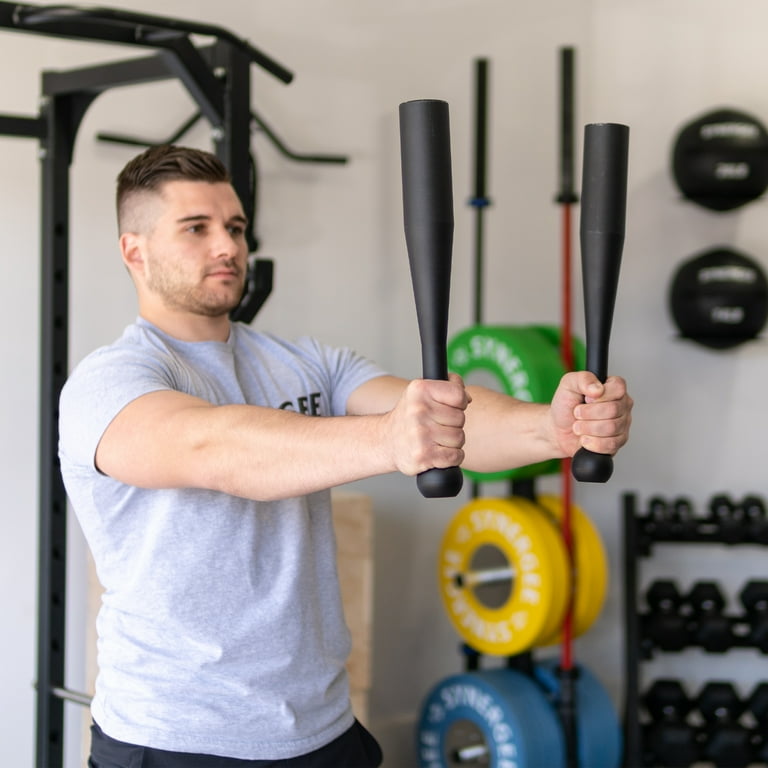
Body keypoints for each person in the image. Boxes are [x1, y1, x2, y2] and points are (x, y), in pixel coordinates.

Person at [58, 144, 633, 768]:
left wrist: (551, 429)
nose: (227, 246)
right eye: (196, 228)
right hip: (177, 739)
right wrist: (389, 440)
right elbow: (218, 451)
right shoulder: (111, 382)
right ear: (134, 251)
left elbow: (445, 418)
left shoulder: (304, 362)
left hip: (321, 730)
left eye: (235, 228)